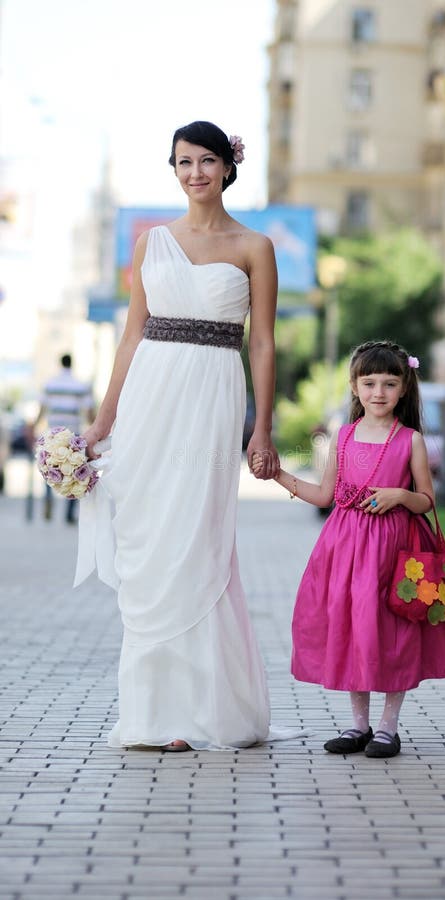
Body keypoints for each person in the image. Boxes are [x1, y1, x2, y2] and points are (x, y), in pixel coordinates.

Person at [78, 120, 281, 752]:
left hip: (212, 398)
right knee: (149, 536)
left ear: (228, 167)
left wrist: (262, 428)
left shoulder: (255, 246)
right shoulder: (151, 243)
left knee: (197, 537)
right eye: (184, 162)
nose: (196, 172)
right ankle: (153, 714)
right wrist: (105, 421)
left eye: (207, 161)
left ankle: (204, 712)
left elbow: (263, 343)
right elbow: (131, 336)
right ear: (174, 169)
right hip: (150, 398)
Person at [253, 340, 445, 758]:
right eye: (370, 383)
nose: (379, 392)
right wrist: (278, 475)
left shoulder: (410, 440)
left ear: (404, 388)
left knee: (394, 631)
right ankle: (358, 725)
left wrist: (401, 495)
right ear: (355, 387)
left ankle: (388, 728)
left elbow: (427, 500)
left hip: (393, 551)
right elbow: (324, 495)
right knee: (354, 627)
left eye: (390, 383)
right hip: (345, 549)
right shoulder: (343, 437)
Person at [33, 353, 95, 523]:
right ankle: (69, 511)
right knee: (74, 471)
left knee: (49, 468)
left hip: (53, 433)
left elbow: (42, 409)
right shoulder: (80, 385)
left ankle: (48, 501)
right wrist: (95, 428)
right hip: (72, 433)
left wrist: (33, 426)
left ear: (61, 364)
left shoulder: (50, 384)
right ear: (71, 364)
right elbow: (88, 411)